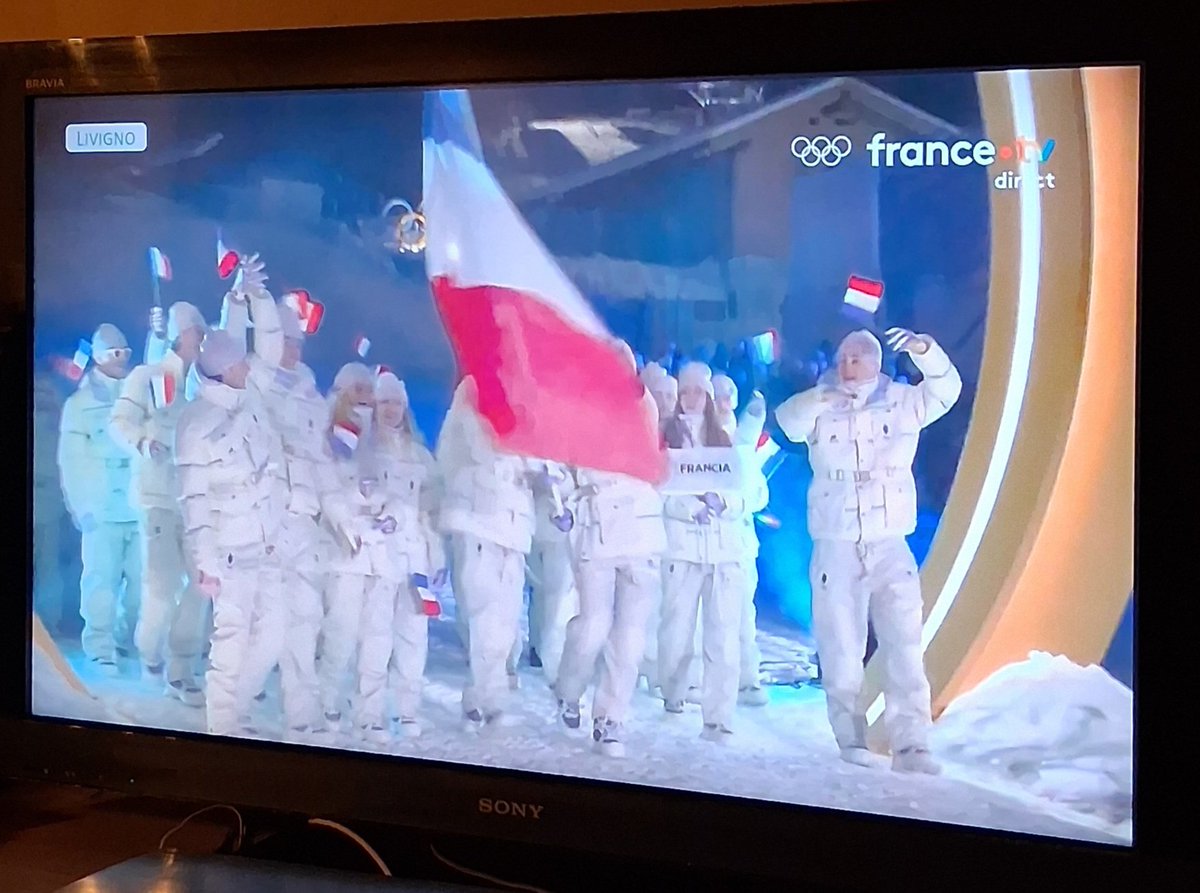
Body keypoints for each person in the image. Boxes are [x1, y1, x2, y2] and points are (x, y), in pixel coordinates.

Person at [775, 328, 961, 774]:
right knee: (841, 642)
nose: (847, 365)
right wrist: (822, 397)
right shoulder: (820, 402)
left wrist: (925, 351)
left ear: (874, 361)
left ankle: (912, 743)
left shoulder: (901, 401)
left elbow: (947, 390)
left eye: (855, 357)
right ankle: (850, 735)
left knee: (903, 642)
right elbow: (787, 423)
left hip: (888, 539)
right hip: (836, 540)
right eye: (842, 357)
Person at [555, 342, 666, 756]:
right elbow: (562, 467)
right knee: (592, 626)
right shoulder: (578, 412)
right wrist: (561, 503)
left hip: (642, 530)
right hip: (596, 528)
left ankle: (610, 719)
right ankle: (568, 690)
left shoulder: (644, 408)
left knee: (631, 636)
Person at [174, 328, 285, 737]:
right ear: (225, 368)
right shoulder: (195, 421)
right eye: (240, 362)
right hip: (227, 551)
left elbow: (272, 467)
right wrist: (206, 562)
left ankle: (234, 711)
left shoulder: (251, 405)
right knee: (231, 642)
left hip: (265, 543)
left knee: (273, 634)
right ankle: (220, 729)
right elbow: (194, 501)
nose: (247, 367)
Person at [659, 362, 767, 741]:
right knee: (676, 634)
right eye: (684, 391)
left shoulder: (728, 440)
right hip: (683, 549)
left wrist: (725, 504)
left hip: (726, 551)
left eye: (698, 392)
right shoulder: (664, 438)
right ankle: (673, 691)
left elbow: (753, 493)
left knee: (722, 636)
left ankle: (719, 716)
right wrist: (690, 507)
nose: (691, 398)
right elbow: (657, 490)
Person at [110, 300, 208, 705]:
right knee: (163, 585)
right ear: (181, 334)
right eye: (196, 332)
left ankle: (182, 666)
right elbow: (119, 422)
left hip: (195, 502)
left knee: (201, 585)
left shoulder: (203, 387)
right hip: (156, 499)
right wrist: (143, 442)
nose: (201, 340)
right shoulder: (147, 376)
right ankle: (150, 654)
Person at [436, 375, 540, 729]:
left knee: (507, 620)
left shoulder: (527, 406)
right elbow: (454, 455)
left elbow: (541, 464)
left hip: (514, 530)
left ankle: (481, 698)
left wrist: (537, 474)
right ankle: (486, 699)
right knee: (483, 617)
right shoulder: (470, 397)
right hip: (476, 524)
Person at [58, 324, 141, 674]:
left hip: (138, 506)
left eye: (126, 353)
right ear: (100, 356)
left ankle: (125, 639)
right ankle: (100, 646)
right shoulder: (80, 404)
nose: (121, 359)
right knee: (101, 582)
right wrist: (81, 506)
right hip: (102, 508)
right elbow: (71, 459)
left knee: (142, 585)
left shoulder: (139, 395)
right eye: (115, 353)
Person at [366, 372, 445, 739]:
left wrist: (437, 557)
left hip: (416, 559)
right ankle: (369, 713)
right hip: (378, 556)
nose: (391, 410)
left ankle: (408, 711)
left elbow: (432, 511)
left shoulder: (420, 456)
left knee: (414, 636)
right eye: (384, 403)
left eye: (397, 403)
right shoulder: (363, 450)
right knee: (376, 635)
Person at [317, 362, 386, 731]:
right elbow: (327, 486)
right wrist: (348, 523)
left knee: (375, 636)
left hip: (380, 551)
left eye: (368, 389)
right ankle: (326, 699)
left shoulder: (381, 435)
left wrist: (384, 509)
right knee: (341, 630)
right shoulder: (328, 431)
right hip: (344, 549)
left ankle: (370, 713)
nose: (364, 396)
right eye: (357, 388)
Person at [712, 373, 772, 707]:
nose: (724, 401)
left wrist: (739, 503)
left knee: (742, 615)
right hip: (699, 544)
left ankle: (747, 679)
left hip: (739, 544)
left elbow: (759, 494)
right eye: (718, 394)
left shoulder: (745, 444)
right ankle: (698, 678)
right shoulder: (692, 440)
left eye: (729, 394)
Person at [526, 463, 579, 688]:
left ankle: (554, 665)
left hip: (562, 532)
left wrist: (569, 511)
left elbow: (585, 486)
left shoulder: (575, 446)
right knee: (540, 593)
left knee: (559, 597)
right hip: (527, 528)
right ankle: (537, 645)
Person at [33, 372, 68, 636]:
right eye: (39, 391)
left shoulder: (62, 422)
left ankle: (50, 625)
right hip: (31, 500)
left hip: (51, 505)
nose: (44, 397)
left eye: (48, 391)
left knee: (49, 567)